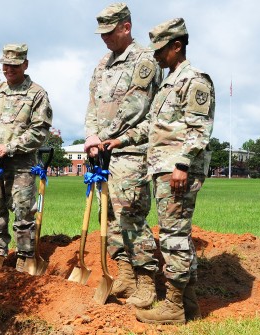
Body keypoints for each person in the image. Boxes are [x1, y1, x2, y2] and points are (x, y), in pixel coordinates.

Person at [101, 18, 216, 324]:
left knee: (173, 235)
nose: (155, 56)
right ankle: (189, 305)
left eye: (161, 50)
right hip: (163, 168)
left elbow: (199, 129)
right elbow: (152, 127)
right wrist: (120, 139)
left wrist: (182, 164)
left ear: (177, 46)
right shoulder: (168, 83)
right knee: (176, 233)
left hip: (176, 170)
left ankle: (174, 307)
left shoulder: (194, 80)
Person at [83, 3, 162, 307]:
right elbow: (92, 101)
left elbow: (135, 108)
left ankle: (146, 282)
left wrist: (103, 137)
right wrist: (91, 134)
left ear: (125, 27)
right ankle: (125, 273)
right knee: (110, 215)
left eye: (109, 32)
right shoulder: (104, 62)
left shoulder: (145, 61)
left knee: (131, 213)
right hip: (102, 150)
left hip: (130, 149)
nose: (104, 38)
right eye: (101, 33)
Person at [0, 43, 53, 271]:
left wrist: (9, 147)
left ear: (25, 64)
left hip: (22, 166)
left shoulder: (37, 94)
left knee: (23, 216)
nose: (9, 69)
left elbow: (39, 131)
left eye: (14, 65)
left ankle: (23, 261)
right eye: (5, 65)